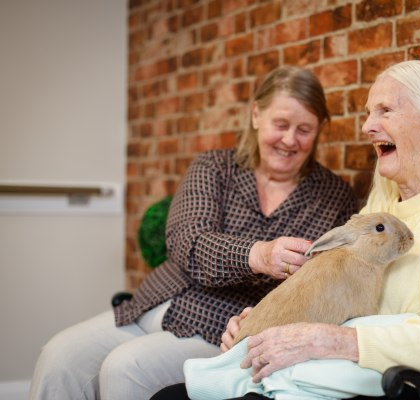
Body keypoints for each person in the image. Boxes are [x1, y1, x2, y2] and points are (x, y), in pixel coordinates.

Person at [150, 59, 420, 400]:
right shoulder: (383, 204)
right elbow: (329, 292)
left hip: (417, 387)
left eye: (385, 110)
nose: (368, 126)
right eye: (369, 113)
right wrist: (263, 325)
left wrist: (327, 341)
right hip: (349, 375)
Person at [28, 66, 358, 400]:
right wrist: (258, 255)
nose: (290, 140)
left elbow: (321, 285)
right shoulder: (214, 167)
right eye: (281, 124)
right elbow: (188, 240)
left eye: (304, 129)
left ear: (318, 131)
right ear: (256, 115)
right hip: (155, 303)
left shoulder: (333, 198)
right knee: (58, 358)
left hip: (221, 325)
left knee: (126, 368)